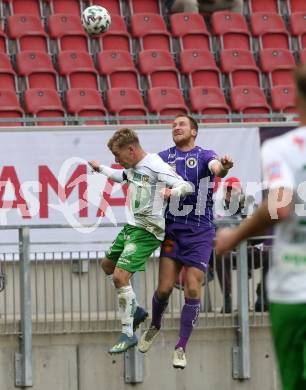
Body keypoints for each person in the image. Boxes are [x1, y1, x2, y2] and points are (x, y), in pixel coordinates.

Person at [215, 64, 306, 390]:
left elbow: (279, 205)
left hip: (294, 293)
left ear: (295, 99)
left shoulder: (281, 148)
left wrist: (233, 237)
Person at [138, 114, 233, 369]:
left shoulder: (205, 154)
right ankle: (155, 324)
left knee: (193, 288)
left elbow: (217, 169)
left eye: (181, 124)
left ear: (194, 132)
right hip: (172, 230)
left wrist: (224, 166)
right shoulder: (162, 158)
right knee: (164, 289)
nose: (176, 127)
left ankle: (181, 346)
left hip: (200, 232)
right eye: (173, 125)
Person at [88, 128, 192, 354]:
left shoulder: (155, 165)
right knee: (106, 265)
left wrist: (171, 193)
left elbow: (186, 186)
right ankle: (135, 310)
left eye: (118, 155)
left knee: (119, 276)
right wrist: (101, 169)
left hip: (148, 231)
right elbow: (120, 176)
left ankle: (128, 333)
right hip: (132, 227)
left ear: (131, 150)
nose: (116, 160)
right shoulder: (132, 168)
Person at [215, 179, 269, 313]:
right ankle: (227, 298)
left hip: (249, 249)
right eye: (227, 190)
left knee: (270, 254)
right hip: (229, 252)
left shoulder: (251, 207)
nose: (230, 193)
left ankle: (262, 294)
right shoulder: (217, 209)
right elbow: (214, 232)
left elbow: (261, 233)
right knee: (221, 255)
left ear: (241, 192)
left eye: (233, 190)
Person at [166, 0, 243, 14]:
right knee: (191, 2)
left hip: (206, 2)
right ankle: (192, 35)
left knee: (237, 2)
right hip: (178, 2)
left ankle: (232, 34)